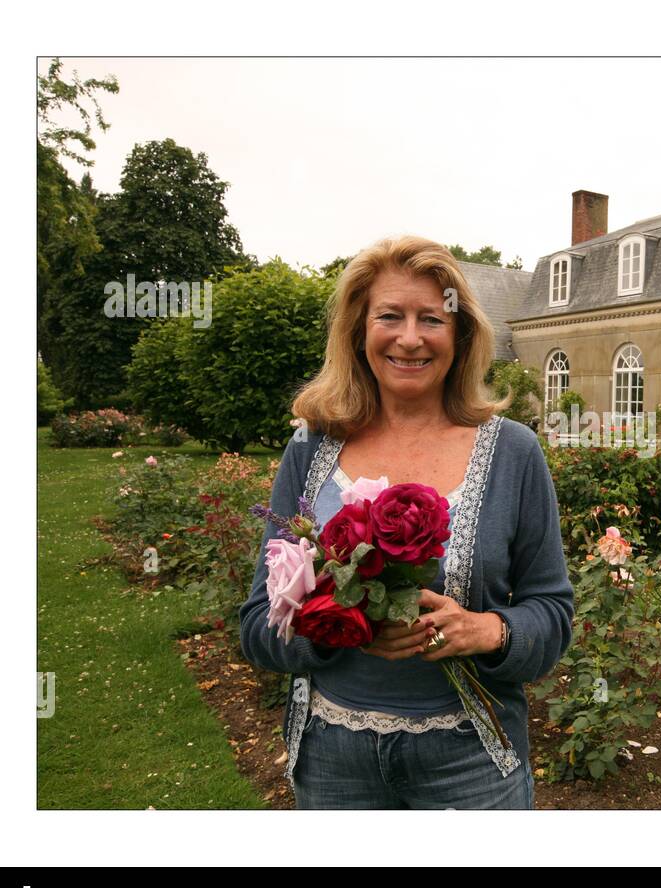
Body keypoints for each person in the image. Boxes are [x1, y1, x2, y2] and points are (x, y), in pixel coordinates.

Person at [238, 235, 574, 809]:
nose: (411, 338)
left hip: (471, 763)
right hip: (332, 762)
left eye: (432, 319)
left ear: (460, 334)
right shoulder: (311, 450)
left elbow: (552, 610)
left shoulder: (513, 452)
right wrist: (337, 625)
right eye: (389, 316)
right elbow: (257, 623)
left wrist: (488, 631)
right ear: (358, 331)